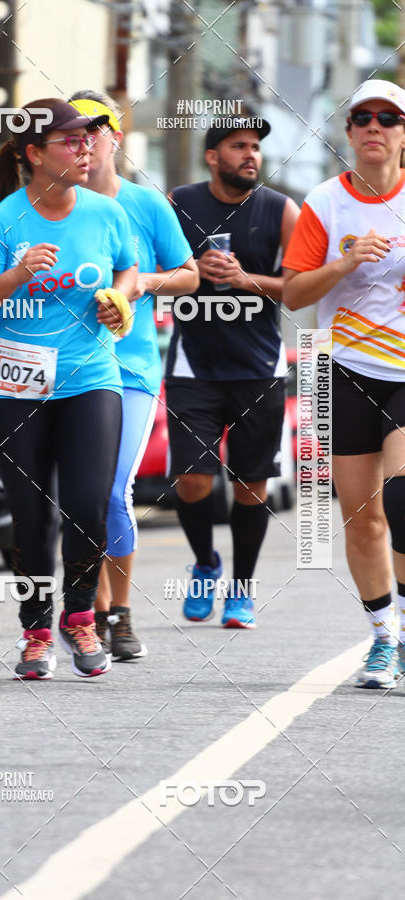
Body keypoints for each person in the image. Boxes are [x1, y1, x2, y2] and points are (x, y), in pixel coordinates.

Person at [0, 98, 138, 680]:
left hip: (91, 377)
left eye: (89, 140)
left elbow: (129, 268)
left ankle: (80, 616)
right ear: (35, 154)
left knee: (88, 504)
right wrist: (16, 275)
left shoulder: (106, 213)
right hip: (16, 386)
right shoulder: (4, 220)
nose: (86, 149)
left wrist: (121, 297)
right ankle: (35, 632)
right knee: (32, 516)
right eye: (71, 141)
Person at [283, 79, 405, 689]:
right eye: (363, 118)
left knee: (402, 499)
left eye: (389, 117)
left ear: (403, 133)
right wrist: (347, 261)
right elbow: (292, 292)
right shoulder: (325, 203)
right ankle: (384, 636)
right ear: (350, 132)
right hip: (345, 369)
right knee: (362, 517)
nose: (375, 126)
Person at [69, 90, 199, 660]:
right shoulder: (51, 207)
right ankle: (95, 611)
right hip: (68, 370)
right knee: (78, 496)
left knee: (113, 491)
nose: (85, 139)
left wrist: (143, 282)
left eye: (96, 127)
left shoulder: (147, 205)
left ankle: (119, 611)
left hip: (131, 369)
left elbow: (190, 275)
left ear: (116, 137)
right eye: (73, 131)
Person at [167, 115, 300, 628]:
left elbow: (301, 288)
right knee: (191, 479)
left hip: (258, 368)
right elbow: (149, 270)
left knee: (251, 485)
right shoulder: (180, 203)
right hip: (193, 366)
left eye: (255, 147)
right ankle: (205, 563)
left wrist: (245, 279)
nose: (250, 155)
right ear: (212, 156)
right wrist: (189, 273)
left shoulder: (280, 209)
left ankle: (242, 590)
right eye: (238, 146)